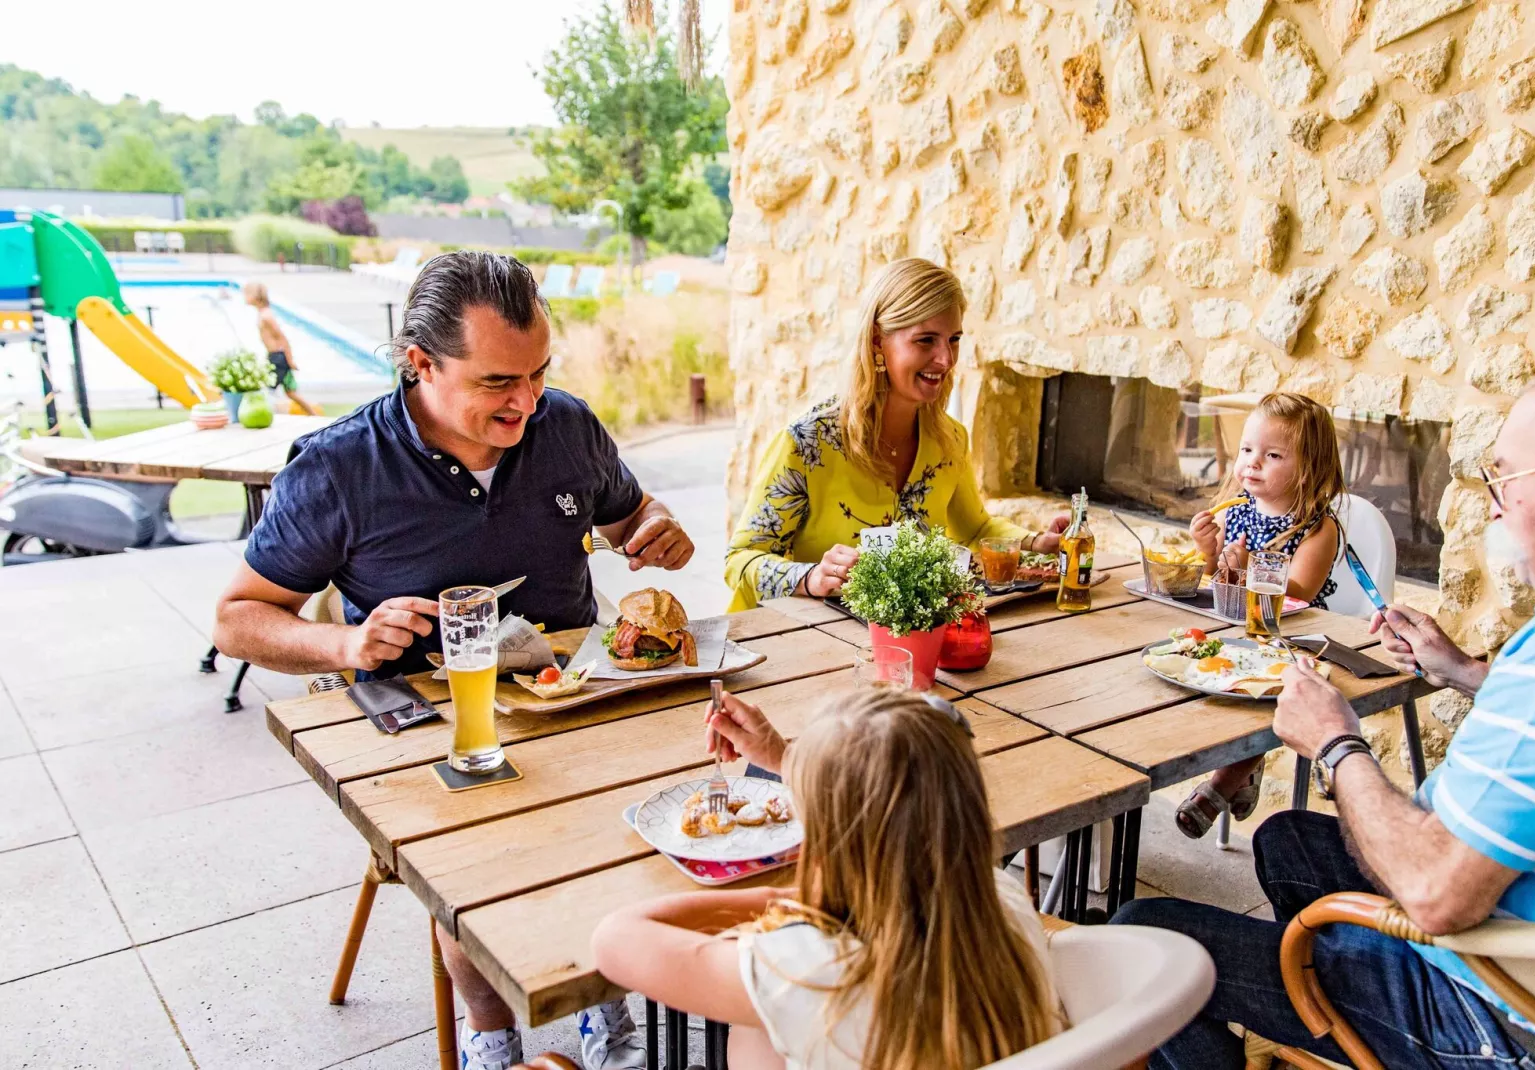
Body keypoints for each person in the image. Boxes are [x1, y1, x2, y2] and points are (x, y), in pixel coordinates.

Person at [215, 251, 696, 1070]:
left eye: (539, 374)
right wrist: (343, 643)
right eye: (497, 384)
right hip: (430, 724)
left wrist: (656, 527)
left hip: (576, 694)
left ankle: (602, 998)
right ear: (420, 363)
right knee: (477, 867)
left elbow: (628, 514)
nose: (527, 402)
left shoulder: (567, 426)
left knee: (664, 817)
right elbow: (238, 619)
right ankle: (492, 1033)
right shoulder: (337, 468)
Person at [1114, 364, 1535, 1070]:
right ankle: (1327, 1016)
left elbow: (1438, 895)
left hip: (1498, 1014)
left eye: (1508, 478)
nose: (1495, 507)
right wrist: (1464, 672)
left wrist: (1338, 744)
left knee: (1144, 935)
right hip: (1533, 948)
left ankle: (1348, 1011)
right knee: (1288, 839)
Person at [591, 688, 1065, 1070]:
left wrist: (783, 898)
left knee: (757, 1034)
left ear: (832, 848)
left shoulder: (812, 972)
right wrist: (781, 755)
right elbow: (891, 804)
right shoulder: (1003, 900)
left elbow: (613, 939)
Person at [724, 258, 1070, 611]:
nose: (946, 359)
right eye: (926, 341)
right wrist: (810, 578)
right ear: (877, 340)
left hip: (905, 643)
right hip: (797, 645)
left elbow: (975, 529)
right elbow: (740, 559)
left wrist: (1038, 542)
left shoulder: (950, 440)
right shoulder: (806, 443)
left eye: (953, 340)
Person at [1174, 391, 1346, 838]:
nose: (1252, 462)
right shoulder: (1239, 513)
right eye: (1247, 450)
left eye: (1271, 455)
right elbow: (1216, 579)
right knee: (1200, 668)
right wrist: (1207, 552)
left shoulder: (1317, 527)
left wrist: (1253, 569)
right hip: (1237, 629)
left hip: (1294, 638)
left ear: (1308, 469)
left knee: (1267, 691)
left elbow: (1301, 592)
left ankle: (1220, 785)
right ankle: (1243, 770)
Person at [242, 281, 320, 415]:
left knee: (266, 390)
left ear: (255, 296)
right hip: (275, 357)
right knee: (291, 392)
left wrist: (290, 361)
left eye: (246, 294)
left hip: (278, 358)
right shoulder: (263, 313)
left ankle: (267, 414)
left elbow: (282, 339)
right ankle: (314, 415)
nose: (244, 297)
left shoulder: (266, 316)